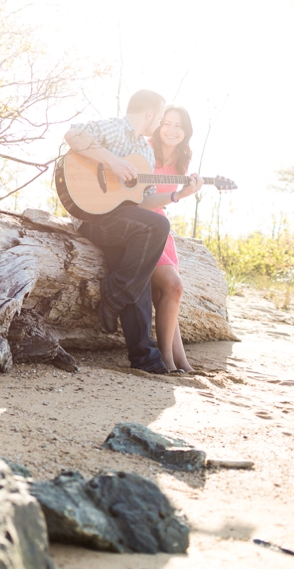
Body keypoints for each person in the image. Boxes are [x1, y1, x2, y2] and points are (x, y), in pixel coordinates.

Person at [63, 89, 178, 375]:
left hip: (123, 221)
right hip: (91, 216)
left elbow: (143, 201)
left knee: (136, 270)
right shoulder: (116, 128)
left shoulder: (146, 152)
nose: (160, 123)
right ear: (150, 114)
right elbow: (73, 134)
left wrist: (177, 195)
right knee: (159, 226)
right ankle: (114, 293)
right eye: (160, 117)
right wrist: (111, 161)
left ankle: (146, 358)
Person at [140, 105, 202, 372]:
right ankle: (165, 357)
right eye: (167, 123)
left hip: (161, 224)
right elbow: (141, 200)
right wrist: (180, 195)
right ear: (158, 125)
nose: (172, 130)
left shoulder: (180, 160)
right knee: (174, 286)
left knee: (169, 293)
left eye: (178, 126)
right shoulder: (143, 148)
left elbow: (163, 199)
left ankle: (181, 360)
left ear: (185, 131)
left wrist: (187, 190)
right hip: (141, 223)